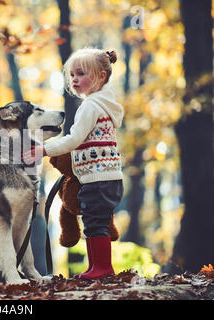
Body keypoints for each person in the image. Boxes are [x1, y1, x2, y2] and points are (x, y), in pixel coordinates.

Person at [23, 47, 124, 280]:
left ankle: (103, 268)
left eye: (82, 74)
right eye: (72, 75)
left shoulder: (91, 106)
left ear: (101, 76)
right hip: (106, 176)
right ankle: (95, 267)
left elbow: (74, 139)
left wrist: (44, 149)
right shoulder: (104, 104)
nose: (75, 79)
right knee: (93, 221)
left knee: (95, 224)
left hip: (99, 179)